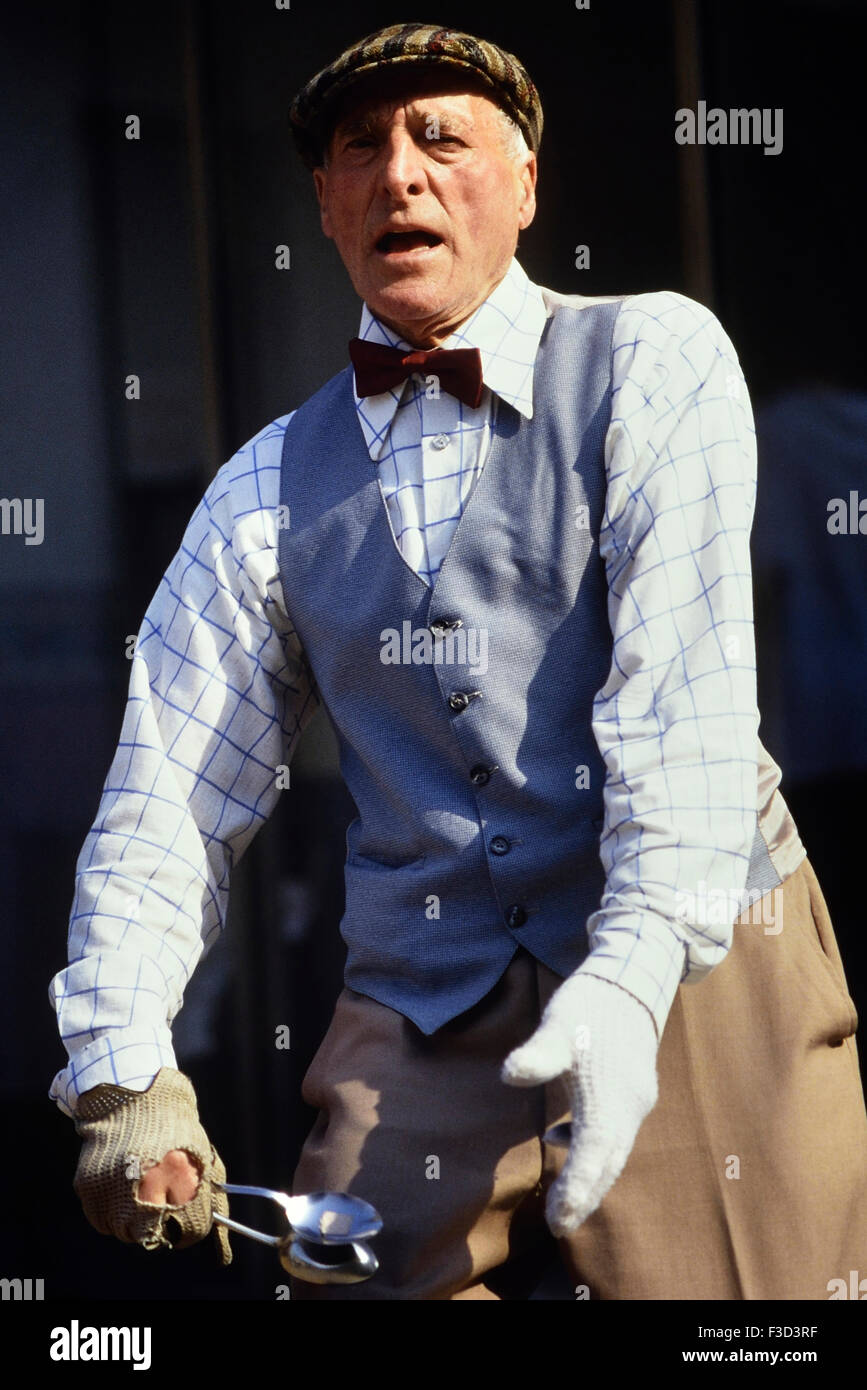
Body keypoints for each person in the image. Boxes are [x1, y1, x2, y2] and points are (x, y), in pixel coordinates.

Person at [49, 22, 867, 1300]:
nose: (400, 173)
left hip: (697, 955)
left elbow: (685, 718)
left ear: (527, 183)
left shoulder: (656, 357)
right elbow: (168, 795)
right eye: (360, 147)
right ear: (324, 203)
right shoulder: (263, 488)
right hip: (426, 995)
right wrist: (122, 1069)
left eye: (442, 136)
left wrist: (632, 975)